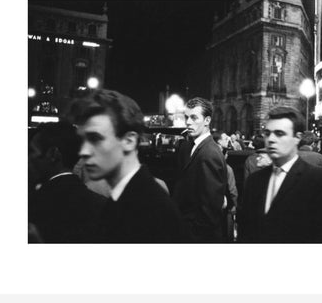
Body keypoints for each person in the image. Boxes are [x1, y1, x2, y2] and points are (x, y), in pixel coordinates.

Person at [70, 89, 187, 243]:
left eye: (95, 138)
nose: (84, 151)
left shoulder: (151, 210)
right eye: (83, 140)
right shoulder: (129, 197)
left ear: (129, 141)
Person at [238, 107, 322, 243]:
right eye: (267, 133)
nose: (271, 139)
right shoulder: (255, 181)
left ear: (297, 138)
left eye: (279, 133)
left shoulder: (321, 181)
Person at [28, 121, 107, 243]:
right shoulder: (101, 205)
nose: (28, 158)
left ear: (53, 154)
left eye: (31, 151)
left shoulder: (36, 203)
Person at [173, 97, 228, 242]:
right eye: (187, 117)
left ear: (207, 121)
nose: (188, 122)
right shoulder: (191, 146)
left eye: (194, 117)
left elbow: (210, 211)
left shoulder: (210, 154)